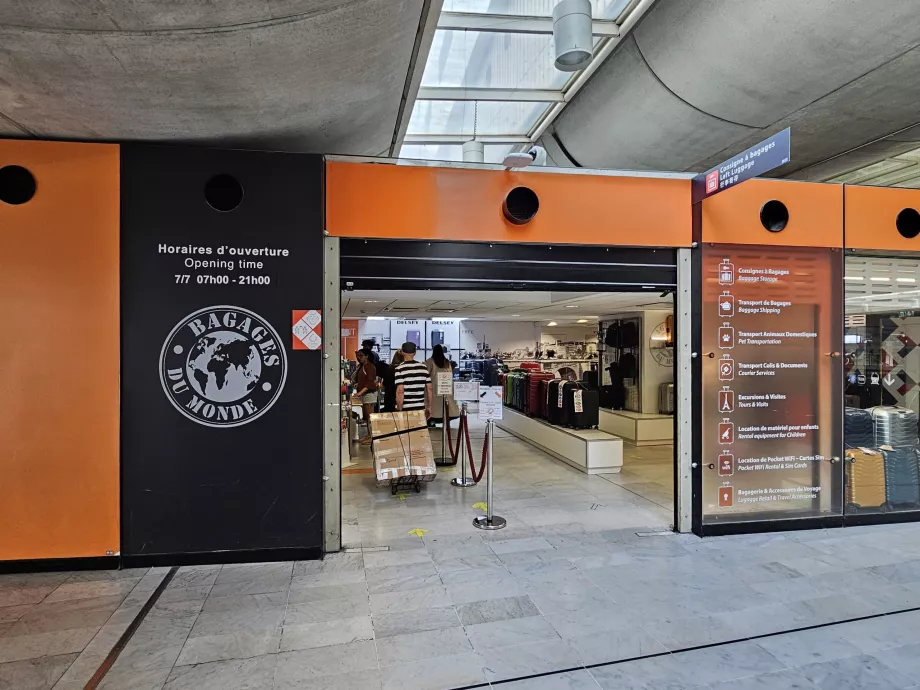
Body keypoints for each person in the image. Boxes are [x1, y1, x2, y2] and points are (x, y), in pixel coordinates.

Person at [394, 342, 431, 415]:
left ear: (402, 353)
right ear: (414, 353)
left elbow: (400, 391)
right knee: (420, 426)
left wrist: (399, 408)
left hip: (405, 408)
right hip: (420, 408)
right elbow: (429, 388)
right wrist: (429, 407)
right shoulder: (423, 367)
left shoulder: (399, 369)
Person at [425, 344, 459, 425]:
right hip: (446, 387)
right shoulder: (447, 362)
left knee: (434, 407)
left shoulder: (430, 361)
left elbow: (425, 373)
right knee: (447, 406)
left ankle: (431, 421)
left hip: (434, 388)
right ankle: (446, 421)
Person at [352, 350, 377, 444]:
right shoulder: (362, 366)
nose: (359, 357)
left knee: (370, 417)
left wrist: (360, 392)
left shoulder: (370, 367)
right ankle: (369, 435)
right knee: (367, 417)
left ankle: (372, 437)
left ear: (367, 356)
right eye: (358, 356)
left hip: (369, 394)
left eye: (361, 355)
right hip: (365, 394)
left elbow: (370, 383)